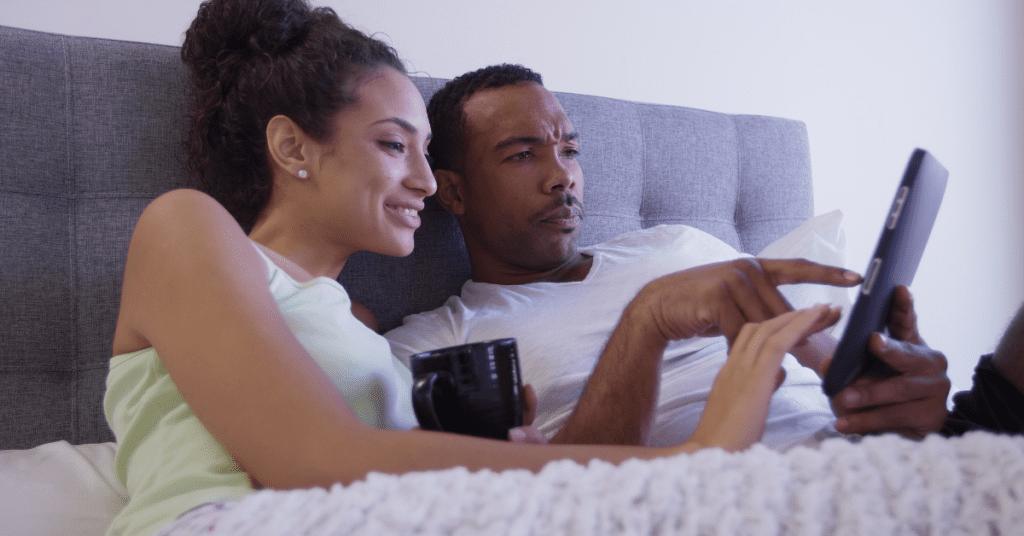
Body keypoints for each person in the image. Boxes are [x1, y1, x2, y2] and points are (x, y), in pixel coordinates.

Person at [103, 2, 845, 535]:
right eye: (396, 146)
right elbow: (316, 459)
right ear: (293, 149)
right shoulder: (187, 229)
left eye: (428, 153)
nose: (428, 183)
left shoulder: (357, 328)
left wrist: (498, 461)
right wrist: (686, 465)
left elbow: (371, 473)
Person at [384, 63, 1024, 447]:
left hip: (897, 455)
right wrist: (647, 321)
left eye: (570, 151)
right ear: (456, 190)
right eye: (523, 155)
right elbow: (558, 487)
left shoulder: (676, 243)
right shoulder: (442, 345)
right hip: (759, 498)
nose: (563, 178)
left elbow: (832, 373)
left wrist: (898, 392)